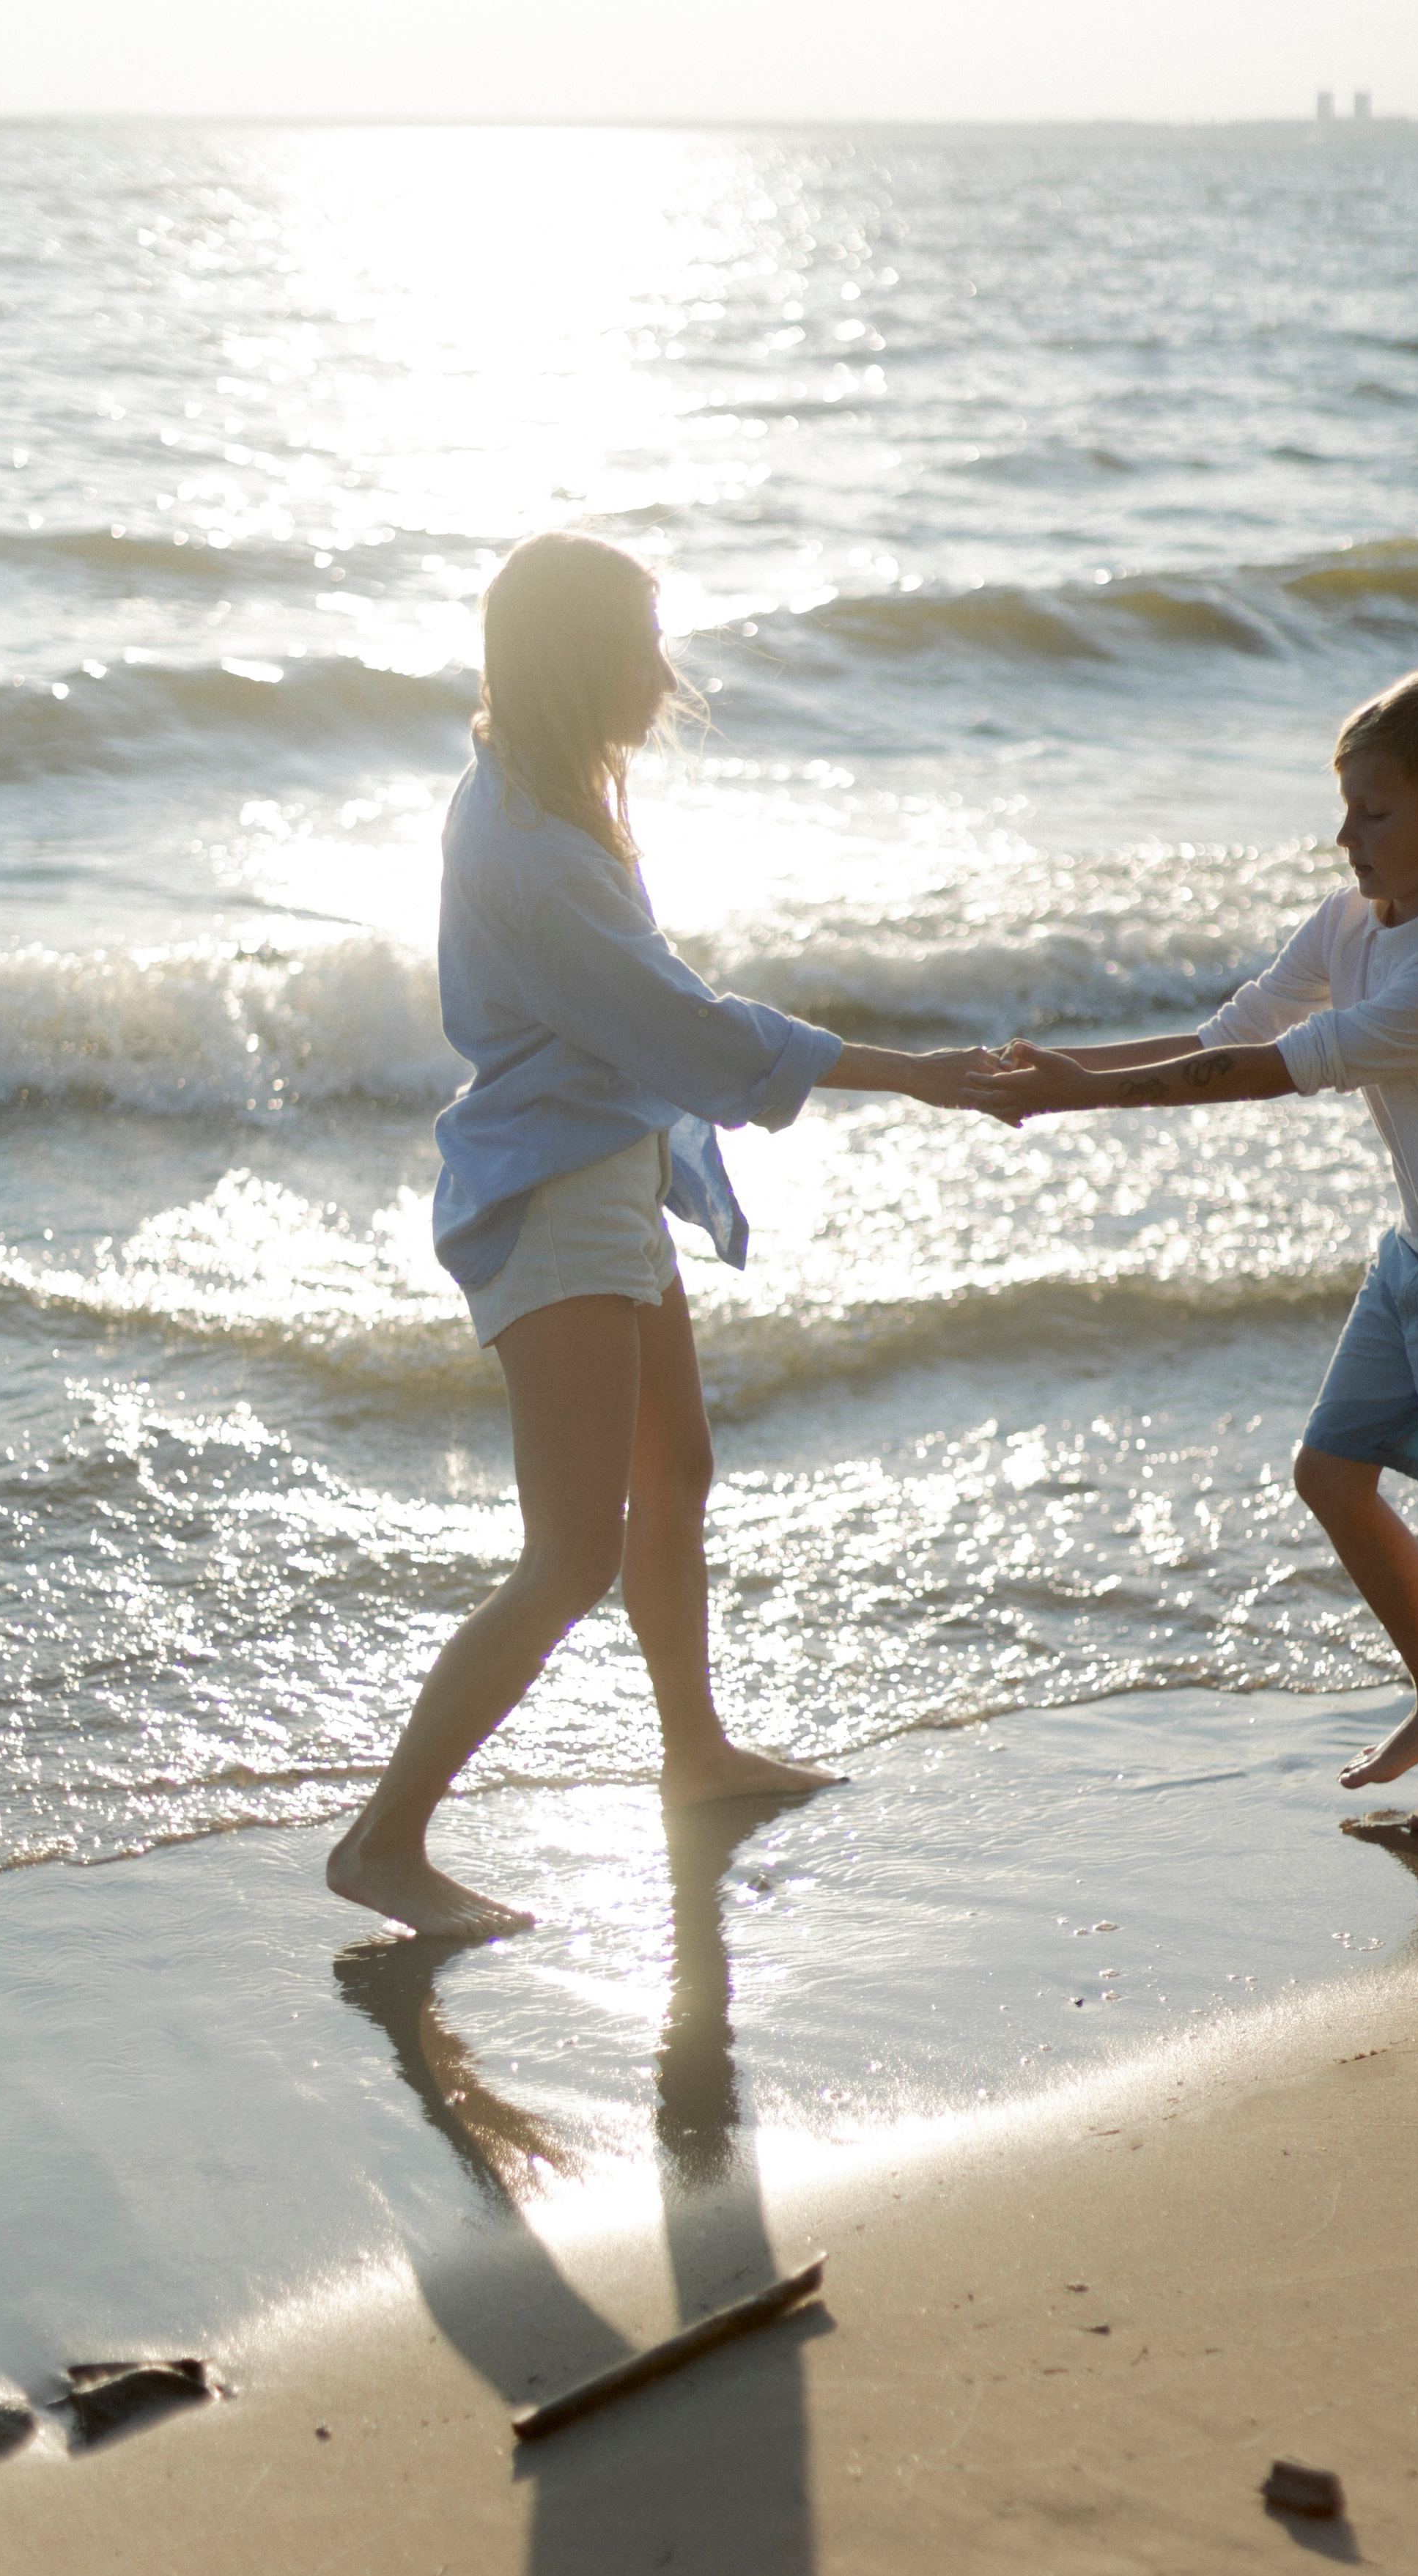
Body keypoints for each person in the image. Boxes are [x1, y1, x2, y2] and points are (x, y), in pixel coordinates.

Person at [328, 531, 998, 1939]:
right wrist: (915, 1071)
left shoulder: (541, 794)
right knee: (569, 1555)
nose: (662, 670)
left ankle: (693, 1754)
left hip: (602, 1181)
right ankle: (386, 1841)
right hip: (554, 1206)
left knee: (675, 1471)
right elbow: (689, 1032)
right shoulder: (532, 848)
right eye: (638, 642)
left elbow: (658, 1033)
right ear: (580, 661)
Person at [969, 666, 1418, 1838]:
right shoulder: (1358, 921)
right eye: (1346, 805)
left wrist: (1072, 1102)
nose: (1345, 834)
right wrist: (1069, 1073)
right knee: (1330, 1474)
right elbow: (1229, 1033)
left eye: (1375, 811)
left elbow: (1262, 1075)